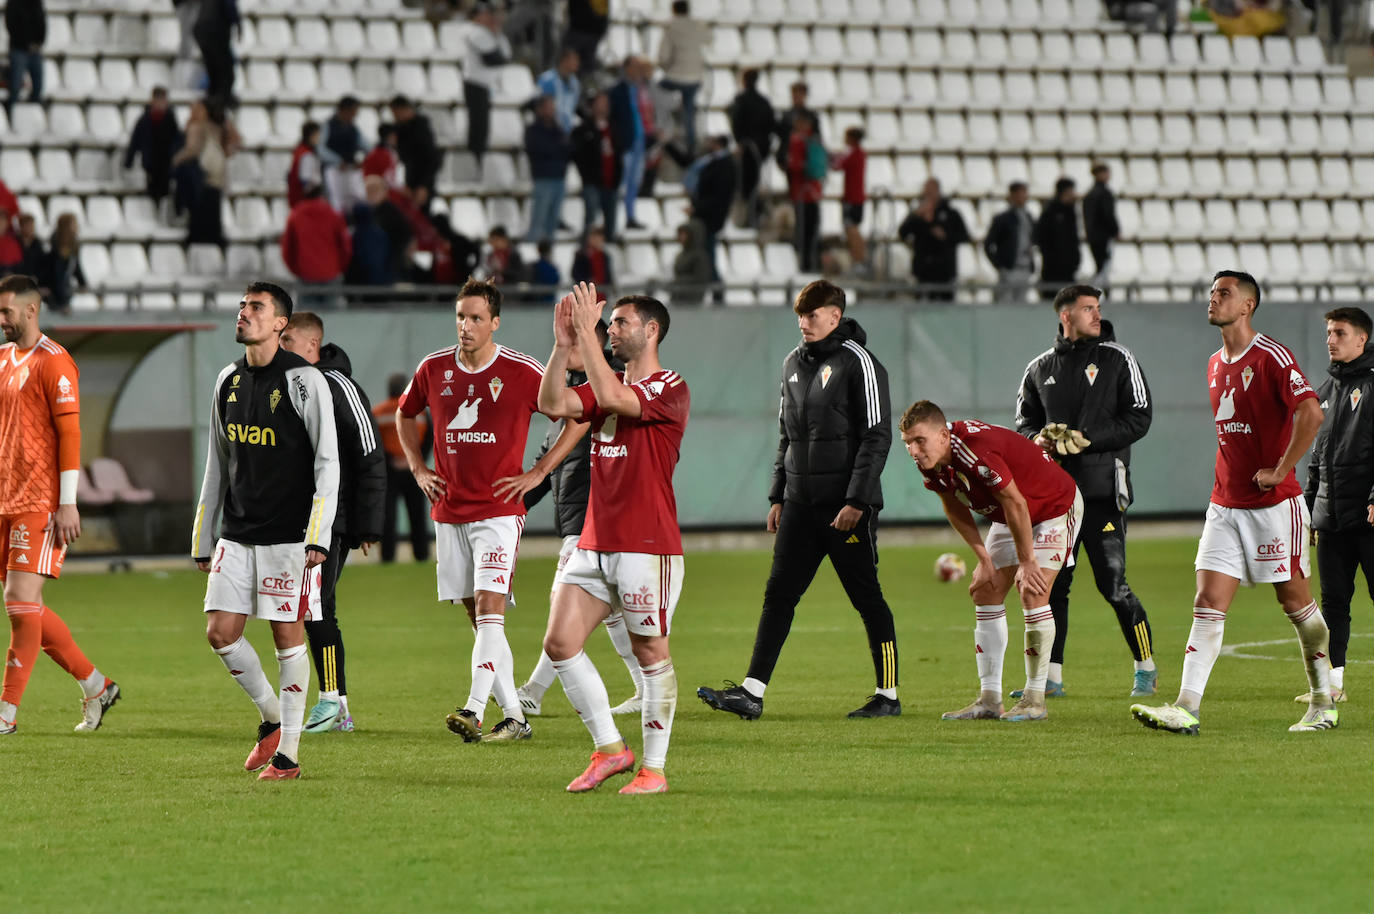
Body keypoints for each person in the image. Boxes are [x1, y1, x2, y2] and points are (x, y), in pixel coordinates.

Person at [1131, 271, 1337, 735]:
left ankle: (1323, 700)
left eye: (1223, 293)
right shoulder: (1214, 362)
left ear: (1246, 306)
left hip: (1273, 508)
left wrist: (1282, 470)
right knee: (1207, 601)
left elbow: (1312, 411)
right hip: (1225, 504)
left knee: (1296, 603)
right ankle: (1186, 707)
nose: (1213, 299)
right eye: (1211, 292)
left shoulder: (1270, 356)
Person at [699, 280, 898, 720]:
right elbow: (786, 435)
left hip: (845, 509)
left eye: (811, 315)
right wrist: (778, 495)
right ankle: (751, 693)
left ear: (835, 315)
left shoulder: (860, 363)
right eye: (799, 316)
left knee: (867, 598)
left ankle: (888, 695)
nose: (803, 324)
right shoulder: (792, 363)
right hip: (799, 505)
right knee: (779, 595)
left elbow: (876, 437)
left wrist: (857, 500)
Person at [537, 282, 690, 794]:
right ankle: (610, 749)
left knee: (651, 654)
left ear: (652, 330)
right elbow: (552, 402)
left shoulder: (671, 386)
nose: (612, 330)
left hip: (647, 547)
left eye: (621, 322)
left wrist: (586, 332)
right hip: (594, 542)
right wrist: (563, 347)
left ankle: (655, 770)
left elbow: (613, 397)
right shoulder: (609, 382)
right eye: (611, 322)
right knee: (559, 644)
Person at [396, 279, 563, 742]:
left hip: (498, 511)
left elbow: (575, 416)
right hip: (449, 510)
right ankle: (515, 716)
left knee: (490, 612)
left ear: (494, 323)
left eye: (474, 318)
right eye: (460, 317)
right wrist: (417, 466)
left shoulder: (522, 370)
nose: (465, 327)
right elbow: (405, 414)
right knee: (479, 619)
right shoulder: (433, 368)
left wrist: (539, 472)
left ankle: (472, 707)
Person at [190, 281, 340, 780]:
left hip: (288, 538)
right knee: (220, 631)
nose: (244, 313)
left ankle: (289, 755)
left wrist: (317, 535)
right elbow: (217, 461)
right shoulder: (226, 381)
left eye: (256, 307)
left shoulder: (304, 382)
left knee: (286, 638)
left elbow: (327, 464)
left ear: (281, 324)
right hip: (235, 533)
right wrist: (203, 535)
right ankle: (272, 717)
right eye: (241, 305)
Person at [1014, 284, 1156, 697]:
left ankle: (1146, 668)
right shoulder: (1039, 368)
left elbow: (1140, 417)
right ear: (1066, 316)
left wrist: (1086, 438)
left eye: (1097, 308)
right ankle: (1050, 678)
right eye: (1088, 309)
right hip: (1055, 499)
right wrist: (1037, 438)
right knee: (1054, 585)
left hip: (1102, 493)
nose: (1097, 315)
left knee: (1112, 584)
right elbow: (1023, 423)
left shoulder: (1118, 358)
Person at [901, 400, 1083, 722]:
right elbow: (953, 504)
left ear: (943, 435)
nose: (914, 451)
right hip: (1007, 512)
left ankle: (1035, 699)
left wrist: (1027, 562)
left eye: (920, 441)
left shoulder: (975, 451)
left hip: (1053, 507)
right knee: (984, 589)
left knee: (1032, 589)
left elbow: (1015, 501)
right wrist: (983, 558)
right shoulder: (930, 461)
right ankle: (989, 700)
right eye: (908, 444)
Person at [0, 274, 119, 736]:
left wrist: (68, 504)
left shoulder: (55, 362)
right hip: (6, 497)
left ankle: (6, 713)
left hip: (40, 501)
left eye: (7, 311)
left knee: (18, 602)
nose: (1, 319)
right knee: (26, 607)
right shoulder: (5, 359)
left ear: (32, 310)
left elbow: (70, 435)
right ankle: (97, 685)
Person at [514, 319, 644, 717]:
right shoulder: (568, 395)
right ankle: (645, 689)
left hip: (597, 520)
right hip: (577, 519)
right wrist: (512, 503)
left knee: (564, 605)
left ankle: (532, 693)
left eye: (571, 340)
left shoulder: (612, 390)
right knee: (615, 611)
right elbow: (547, 463)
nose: (561, 344)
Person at [279, 312, 384, 735]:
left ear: (311, 344)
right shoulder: (280, 386)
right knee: (307, 608)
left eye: (286, 338)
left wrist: (366, 525)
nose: (280, 345)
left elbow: (369, 452)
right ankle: (336, 703)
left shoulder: (338, 385)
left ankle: (332, 701)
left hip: (329, 520)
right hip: (289, 519)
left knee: (317, 607)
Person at [1300, 306, 1374, 704]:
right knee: (1333, 602)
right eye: (1329, 332)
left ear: (1361, 339)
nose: (1331, 339)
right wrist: (1308, 509)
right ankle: (1333, 683)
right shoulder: (1324, 391)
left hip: (1368, 514)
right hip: (1330, 516)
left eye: (1339, 333)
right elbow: (1316, 457)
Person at [373, 373, 431, 563]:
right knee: (417, 514)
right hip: (415, 469)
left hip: (389, 471)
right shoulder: (420, 412)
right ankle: (421, 555)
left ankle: (388, 557)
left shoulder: (379, 412)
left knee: (388, 516)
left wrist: (390, 459)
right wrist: (416, 459)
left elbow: (374, 442)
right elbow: (430, 439)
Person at [898, 178, 970, 302]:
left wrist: (946, 236)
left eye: (930, 191)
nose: (927, 195)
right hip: (923, 271)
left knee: (946, 308)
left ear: (937, 191)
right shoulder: (917, 214)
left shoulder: (951, 214)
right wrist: (915, 216)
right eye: (925, 192)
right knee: (923, 308)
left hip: (945, 272)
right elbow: (902, 233)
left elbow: (964, 236)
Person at [280, 185, 352, 307]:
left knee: (306, 322)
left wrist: (297, 270)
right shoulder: (333, 214)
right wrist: (338, 268)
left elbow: (287, 250)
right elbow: (345, 248)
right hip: (330, 275)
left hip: (306, 276)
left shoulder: (295, 215)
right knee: (333, 321)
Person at [685, 134, 736, 296]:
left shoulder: (723, 165)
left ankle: (717, 292)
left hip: (710, 217)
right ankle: (715, 291)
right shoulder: (716, 162)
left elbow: (718, 196)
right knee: (707, 254)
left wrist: (697, 208)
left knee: (708, 255)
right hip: (709, 216)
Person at [464, 3, 512, 168]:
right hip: (475, 83)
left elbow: (506, 55)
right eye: (485, 14)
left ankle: (479, 160)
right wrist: (496, 39)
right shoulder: (473, 31)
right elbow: (493, 59)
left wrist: (497, 34)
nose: (489, 18)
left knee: (483, 127)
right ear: (476, 16)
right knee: (478, 125)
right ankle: (474, 160)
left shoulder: (491, 33)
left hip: (485, 85)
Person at [657, 1, 708, 155]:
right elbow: (709, 38)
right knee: (689, 111)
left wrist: (666, 66)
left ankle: (662, 128)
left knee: (655, 89)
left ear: (674, 11)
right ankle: (691, 145)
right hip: (695, 78)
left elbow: (663, 56)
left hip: (675, 77)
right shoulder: (697, 25)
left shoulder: (671, 27)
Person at [571, 91, 622, 242]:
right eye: (600, 103)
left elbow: (619, 154)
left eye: (606, 104)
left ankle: (607, 252)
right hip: (592, 182)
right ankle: (587, 249)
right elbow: (578, 155)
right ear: (592, 106)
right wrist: (586, 176)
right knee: (591, 219)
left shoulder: (614, 127)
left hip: (611, 182)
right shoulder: (584, 129)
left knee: (611, 220)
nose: (603, 107)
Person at [609, 56, 653, 230]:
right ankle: (614, 218)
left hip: (640, 140)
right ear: (627, 68)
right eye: (635, 67)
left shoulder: (642, 89)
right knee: (621, 181)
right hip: (625, 141)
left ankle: (630, 216)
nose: (638, 71)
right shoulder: (617, 91)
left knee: (635, 182)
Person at [728, 69, 775, 226]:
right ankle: (753, 216)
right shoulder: (764, 101)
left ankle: (748, 218)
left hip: (747, 149)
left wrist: (740, 141)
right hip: (761, 149)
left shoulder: (741, 100)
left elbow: (736, 123)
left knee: (745, 184)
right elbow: (771, 125)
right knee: (755, 182)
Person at [525, 94, 572, 243]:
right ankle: (531, 252)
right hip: (543, 180)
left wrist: (558, 149)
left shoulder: (558, 129)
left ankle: (548, 255)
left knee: (552, 224)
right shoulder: (533, 130)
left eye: (552, 107)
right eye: (547, 107)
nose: (551, 111)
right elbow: (542, 149)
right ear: (539, 109)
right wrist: (558, 148)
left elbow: (567, 149)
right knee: (538, 222)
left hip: (559, 178)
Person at [124, 87, 183, 205]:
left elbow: (177, 142)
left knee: (165, 193)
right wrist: (129, 161)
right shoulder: (145, 119)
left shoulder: (171, 120)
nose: (161, 103)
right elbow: (135, 140)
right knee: (152, 193)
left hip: (166, 164)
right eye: (158, 99)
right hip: (151, 164)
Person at [984, 181, 1036, 304]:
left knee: (1022, 303)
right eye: (1019, 194)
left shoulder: (1029, 217)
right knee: (1006, 303)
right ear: (1012, 196)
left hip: (1025, 267)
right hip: (1010, 269)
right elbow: (988, 245)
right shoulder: (1003, 219)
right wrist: (1000, 265)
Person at [389, 96, 443, 209]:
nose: (395, 117)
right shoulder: (400, 128)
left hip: (422, 182)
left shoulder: (421, 128)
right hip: (410, 180)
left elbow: (432, 159)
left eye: (395, 113)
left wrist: (424, 186)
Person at [786, 113, 824, 272]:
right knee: (813, 229)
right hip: (815, 191)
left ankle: (804, 264)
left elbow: (795, 166)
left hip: (801, 191)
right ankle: (812, 262)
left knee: (802, 230)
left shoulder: (797, 140)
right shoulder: (816, 139)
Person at [1035, 177, 1081, 301]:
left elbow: (1074, 239)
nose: (1073, 194)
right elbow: (1041, 238)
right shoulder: (1050, 211)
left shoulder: (1070, 211)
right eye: (1071, 191)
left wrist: (1075, 260)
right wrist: (1051, 257)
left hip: (1069, 269)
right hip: (1052, 270)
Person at [833, 126, 867, 271]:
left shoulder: (852, 153)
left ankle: (858, 260)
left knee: (851, 229)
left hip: (852, 198)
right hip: (857, 197)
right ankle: (859, 259)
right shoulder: (861, 153)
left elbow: (836, 166)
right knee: (853, 228)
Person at [37, 213, 86, 314]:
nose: (77, 226)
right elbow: (57, 276)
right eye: (74, 224)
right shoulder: (56, 249)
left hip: (63, 291)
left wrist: (82, 283)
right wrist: (62, 301)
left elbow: (76, 267)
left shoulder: (72, 246)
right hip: (53, 293)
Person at [1082, 163, 1119, 288]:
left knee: (1100, 265)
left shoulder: (1089, 194)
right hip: (1103, 236)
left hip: (1093, 237)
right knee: (1103, 267)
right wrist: (1115, 230)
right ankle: (1099, 292)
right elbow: (1108, 214)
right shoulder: (1104, 194)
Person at [5, 0, 45, 113]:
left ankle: (32, 116)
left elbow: (42, 23)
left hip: (35, 49)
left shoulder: (37, 2)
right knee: (15, 86)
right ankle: (11, 115)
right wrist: (26, 43)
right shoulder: (13, 3)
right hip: (18, 49)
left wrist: (39, 42)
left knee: (38, 86)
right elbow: (11, 25)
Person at [536, 47, 581, 134]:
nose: (577, 63)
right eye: (574, 60)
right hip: (548, 130)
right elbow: (538, 106)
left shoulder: (575, 83)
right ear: (564, 60)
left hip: (568, 130)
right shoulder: (546, 80)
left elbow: (572, 108)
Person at [287, 122, 324, 211]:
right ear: (311, 136)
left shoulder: (300, 151)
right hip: (304, 200)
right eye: (318, 135)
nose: (320, 139)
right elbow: (306, 179)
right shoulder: (307, 155)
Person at [570, 225, 613, 291]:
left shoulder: (605, 256)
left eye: (600, 239)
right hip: (587, 293)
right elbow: (575, 274)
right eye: (595, 238)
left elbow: (608, 276)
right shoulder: (581, 255)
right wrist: (588, 281)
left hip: (602, 293)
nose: (598, 241)